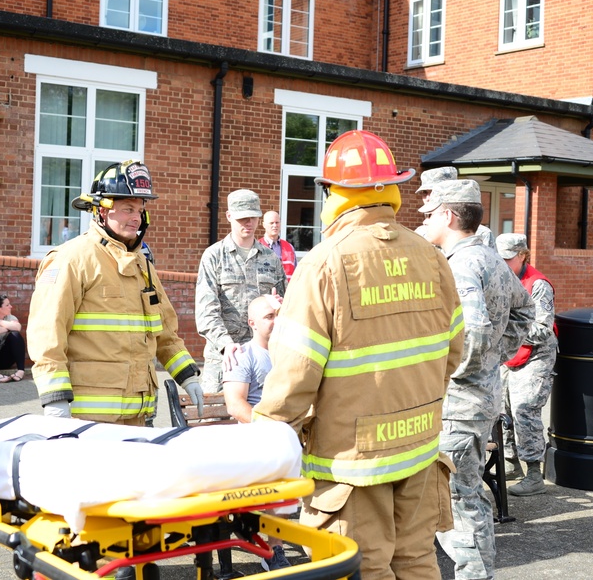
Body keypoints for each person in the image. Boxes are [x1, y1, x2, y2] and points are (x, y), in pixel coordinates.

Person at [253, 130, 465, 580]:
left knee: (361, 570)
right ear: (390, 190)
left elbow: (293, 377)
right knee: (417, 563)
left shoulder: (323, 263)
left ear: (335, 194)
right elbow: (453, 352)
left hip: (350, 464)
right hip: (419, 449)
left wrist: (263, 454)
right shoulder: (432, 257)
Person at [29, 160, 203, 424]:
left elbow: (166, 333)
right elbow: (47, 335)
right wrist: (55, 400)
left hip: (139, 415)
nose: (136, 217)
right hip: (88, 420)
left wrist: (187, 377)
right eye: (127, 209)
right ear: (101, 210)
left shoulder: (142, 264)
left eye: (140, 209)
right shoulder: (72, 259)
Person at [419, 179, 534, 580]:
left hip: (458, 404)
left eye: (430, 214)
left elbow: (475, 330)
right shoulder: (489, 258)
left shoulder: (462, 264)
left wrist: (453, 373)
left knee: (455, 500)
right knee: (471, 496)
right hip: (479, 397)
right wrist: (494, 360)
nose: (426, 222)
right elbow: (524, 311)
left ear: (449, 216)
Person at [222, 294, 291, 572]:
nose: (276, 321)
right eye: (269, 317)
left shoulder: (291, 354)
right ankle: (274, 550)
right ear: (252, 323)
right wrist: (271, 431)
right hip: (257, 441)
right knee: (279, 480)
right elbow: (236, 405)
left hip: (293, 436)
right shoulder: (244, 355)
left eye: (279, 315)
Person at [195, 189, 287, 393]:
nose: (248, 223)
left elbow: (287, 310)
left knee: (260, 419)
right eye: (242, 218)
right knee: (215, 421)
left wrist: (278, 306)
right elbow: (206, 312)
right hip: (224, 358)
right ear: (229, 216)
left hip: (263, 359)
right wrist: (226, 344)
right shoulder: (214, 257)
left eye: (253, 217)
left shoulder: (271, 259)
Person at [495, 233, 557, 496]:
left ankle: (534, 473)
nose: (503, 264)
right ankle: (511, 464)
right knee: (501, 408)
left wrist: (506, 331)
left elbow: (543, 328)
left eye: (508, 259)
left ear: (523, 255)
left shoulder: (538, 284)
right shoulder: (499, 278)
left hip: (535, 355)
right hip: (507, 354)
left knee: (524, 409)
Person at [416, 167, 495, 248]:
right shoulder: (420, 233)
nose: (428, 198)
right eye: (424, 193)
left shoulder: (482, 234)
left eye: (434, 192)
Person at [258, 210, 297, 284]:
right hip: (264, 293)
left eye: (277, 222)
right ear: (264, 225)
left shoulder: (289, 248)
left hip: (287, 293)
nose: (275, 225)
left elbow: (296, 274)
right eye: (271, 223)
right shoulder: (256, 247)